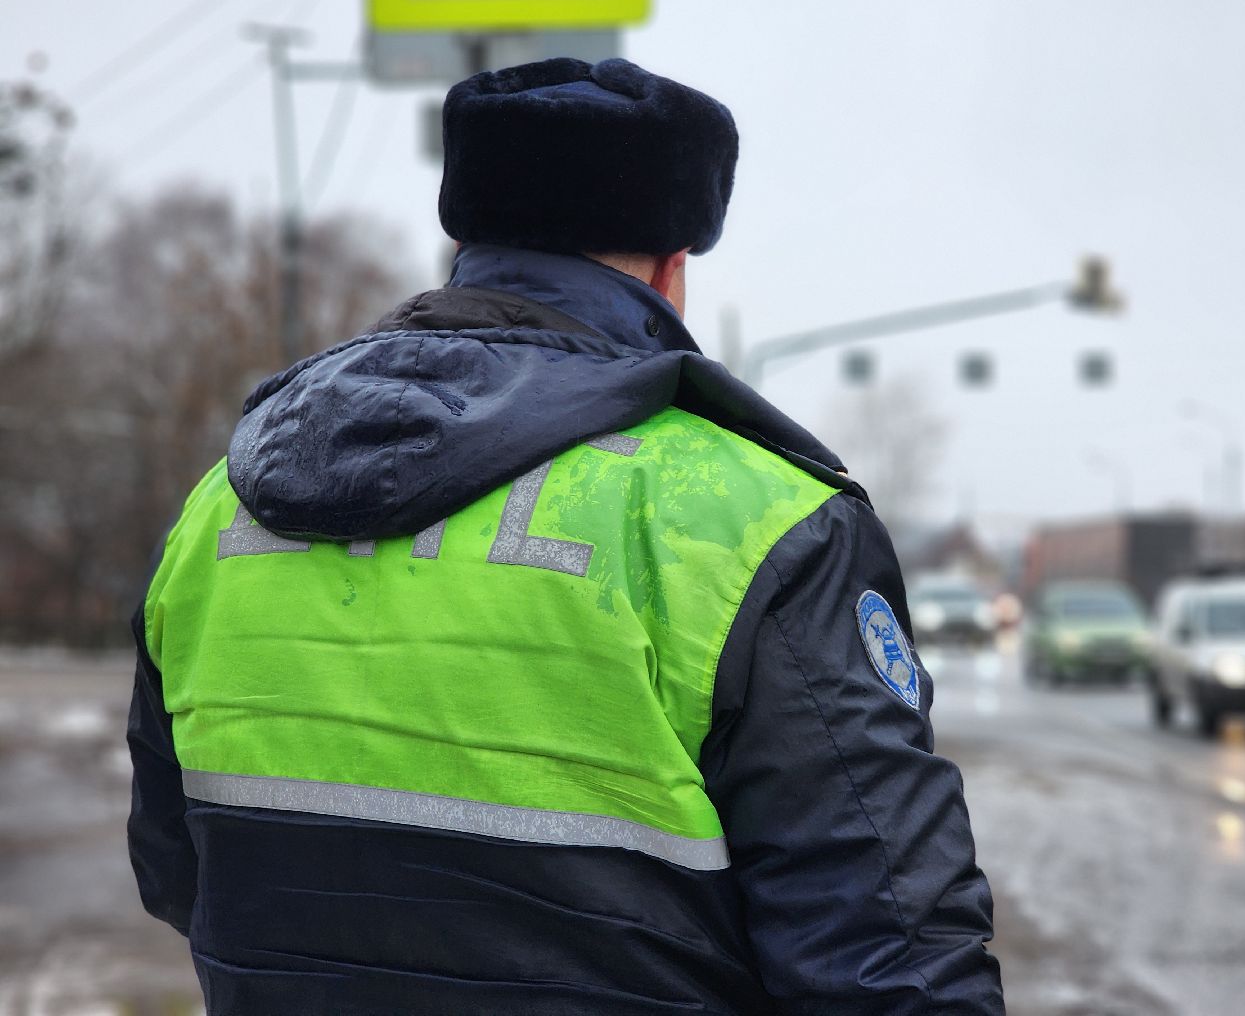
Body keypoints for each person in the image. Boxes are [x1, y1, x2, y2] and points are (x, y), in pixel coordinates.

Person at [127, 56, 1004, 1015]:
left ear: (465, 242)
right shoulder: (754, 518)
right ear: (674, 271)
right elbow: (887, 963)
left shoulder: (225, 503)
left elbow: (180, 871)